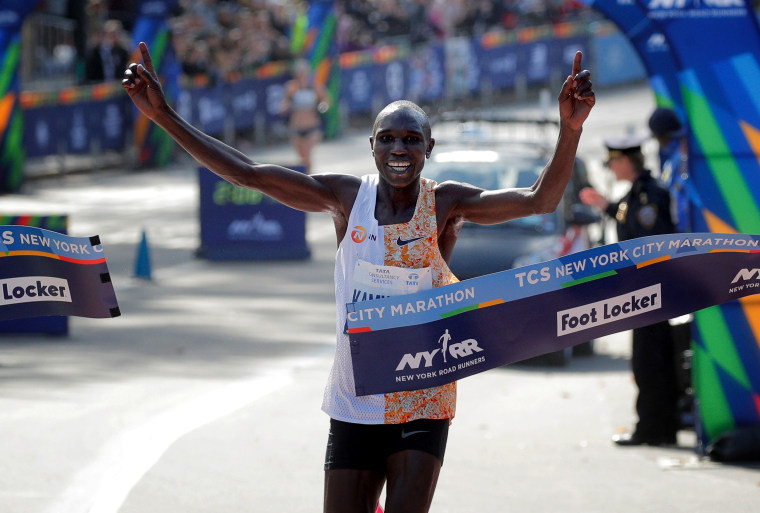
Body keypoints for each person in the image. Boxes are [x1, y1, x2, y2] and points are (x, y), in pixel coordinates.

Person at [123, 42, 594, 513]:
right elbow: (248, 174)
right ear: (371, 146)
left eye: (411, 139)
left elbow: (539, 201)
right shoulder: (347, 198)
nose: (399, 148)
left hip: (421, 394)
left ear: (429, 148)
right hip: (356, 396)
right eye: (387, 138)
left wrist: (569, 129)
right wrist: (163, 115)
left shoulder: (445, 203)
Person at [580, 135, 681, 447]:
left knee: (650, 361)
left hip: (652, 290)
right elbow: (632, 222)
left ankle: (655, 429)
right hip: (645, 291)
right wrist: (606, 206)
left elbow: (649, 241)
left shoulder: (649, 195)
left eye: (612, 162)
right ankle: (656, 426)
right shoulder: (638, 194)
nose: (610, 168)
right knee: (649, 360)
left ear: (625, 161)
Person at [281, 59, 330, 172]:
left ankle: (309, 177)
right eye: (299, 73)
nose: (302, 75)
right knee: (301, 156)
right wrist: (285, 106)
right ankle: (306, 176)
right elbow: (284, 103)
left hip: (312, 127)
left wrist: (322, 107)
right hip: (296, 127)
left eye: (303, 72)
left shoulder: (316, 87)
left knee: (307, 154)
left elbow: (326, 101)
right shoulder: (292, 87)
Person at [648, 107, 690, 233]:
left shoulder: (682, 157)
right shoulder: (670, 159)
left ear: (663, 135)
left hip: (683, 232)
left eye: (656, 137)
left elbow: (681, 197)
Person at [85, 19, 131, 83]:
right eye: (111, 34)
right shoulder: (95, 52)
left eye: (116, 34)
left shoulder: (123, 52)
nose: (114, 37)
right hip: (99, 86)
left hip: (117, 86)